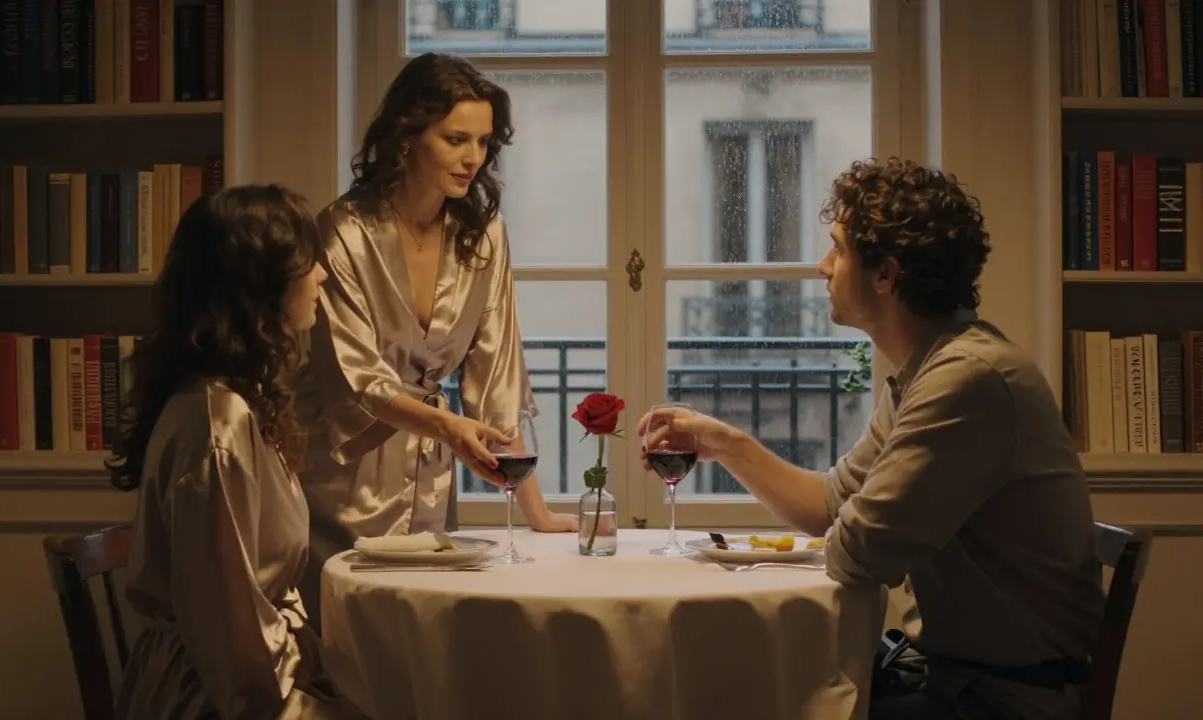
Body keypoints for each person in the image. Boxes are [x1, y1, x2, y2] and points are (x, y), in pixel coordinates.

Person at [639, 158, 1106, 719]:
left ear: (885, 274)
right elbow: (828, 507)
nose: (822, 266)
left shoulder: (969, 380)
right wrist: (723, 443)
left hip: (1002, 700)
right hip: (958, 680)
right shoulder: (926, 372)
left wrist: (852, 523)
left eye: (837, 248)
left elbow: (858, 549)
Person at [293, 52, 575, 624]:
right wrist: (447, 425)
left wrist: (536, 511)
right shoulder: (341, 231)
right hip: (344, 475)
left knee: (416, 642)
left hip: (429, 482)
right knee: (343, 644)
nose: (473, 158)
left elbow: (495, 377)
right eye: (455, 140)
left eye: (483, 143)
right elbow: (355, 378)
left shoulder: (483, 237)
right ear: (405, 139)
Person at [107, 185, 342, 719]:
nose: (322, 275)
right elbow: (230, 642)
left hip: (249, 672)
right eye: (309, 261)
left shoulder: (233, 404)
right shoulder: (219, 425)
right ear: (261, 283)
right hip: (210, 698)